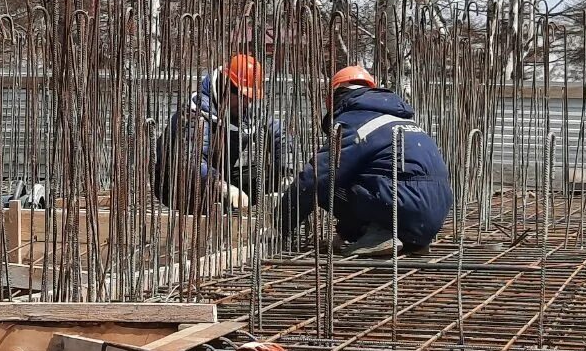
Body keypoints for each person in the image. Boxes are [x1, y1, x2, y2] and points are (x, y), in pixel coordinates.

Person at [277, 66, 453, 257]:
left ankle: (382, 233)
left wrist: (279, 226)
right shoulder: (398, 118)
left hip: (398, 207)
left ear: (333, 97)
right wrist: (342, 234)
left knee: (327, 182)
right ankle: (411, 241)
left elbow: (315, 177)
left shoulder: (355, 120)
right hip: (433, 214)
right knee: (364, 174)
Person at [153, 54, 292, 213]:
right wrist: (223, 187)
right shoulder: (193, 117)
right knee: (216, 198)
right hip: (180, 186)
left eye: (250, 98)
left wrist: (286, 169)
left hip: (220, 176)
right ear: (226, 86)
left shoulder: (243, 109)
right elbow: (191, 163)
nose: (246, 103)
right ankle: (214, 214)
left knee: (270, 177)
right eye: (243, 97)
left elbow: (277, 132)